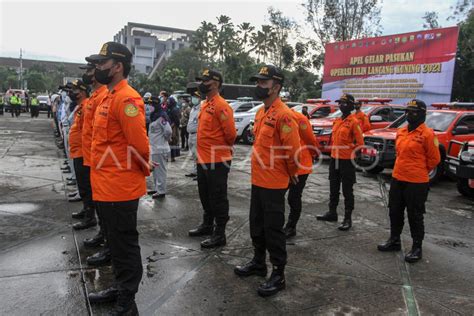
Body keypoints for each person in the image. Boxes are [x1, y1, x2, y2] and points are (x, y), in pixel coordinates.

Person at [86, 42, 150, 315]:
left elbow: (140, 145)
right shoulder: (108, 97)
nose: (98, 68)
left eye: (103, 63)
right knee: (113, 243)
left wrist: (141, 170)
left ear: (118, 66)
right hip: (104, 186)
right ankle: (120, 286)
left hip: (120, 188)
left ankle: (128, 299)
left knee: (124, 245)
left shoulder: (127, 99)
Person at [234, 65, 300, 297]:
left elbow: (292, 151)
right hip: (258, 180)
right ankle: (259, 263)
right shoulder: (262, 112)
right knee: (256, 225)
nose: (258, 86)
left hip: (274, 182)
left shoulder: (284, 115)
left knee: (273, 230)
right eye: (258, 82)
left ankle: (279, 274)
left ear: (277, 87)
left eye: (263, 82)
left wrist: (292, 173)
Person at [378, 99, 440, 263]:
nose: (409, 114)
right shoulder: (401, 131)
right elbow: (399, 153)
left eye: (414, 112)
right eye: (408, 111)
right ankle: (394, 240)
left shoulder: (427, 134)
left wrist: (418, 170)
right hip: (398, 178)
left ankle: (417, 247)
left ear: (422, 114)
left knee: (415, 215)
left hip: (417, 182)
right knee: (395, 211)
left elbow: (434, 159)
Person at [188, 69, 236, 249]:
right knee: (205, 195)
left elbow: (231, 135)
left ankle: (219, 233)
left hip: (217, 160)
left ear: (215, 84)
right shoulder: (204, 104)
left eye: (205, 81)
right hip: (202, 159)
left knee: (218, 197)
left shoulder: (221, 106)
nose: (202, 84)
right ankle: (207, 225)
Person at [77, 62, 111, 266]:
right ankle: (102, 234)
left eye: (91, 70)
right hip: (91, 157)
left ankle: (107, 242)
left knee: (107, 209)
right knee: (99, 204)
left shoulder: (104, 97)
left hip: (102, 162)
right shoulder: (95, 98)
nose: (89, 74)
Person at [316, 93, 364, 231]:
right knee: (333, 187)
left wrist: (350, 151)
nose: (341, 105)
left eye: (344, 103)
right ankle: (332, 213)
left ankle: (347, 218)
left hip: (347, 161)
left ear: (350, 105)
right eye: (340, 103)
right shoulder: (337, 120)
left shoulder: (354, 122)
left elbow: (360, 143)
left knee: (347, 190)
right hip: (334, 158)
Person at [283, 108, 318, 238]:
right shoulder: (271, 114)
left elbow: (310, 140)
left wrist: (313, 154)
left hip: (300, 165)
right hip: (283, 165)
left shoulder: (299, 118)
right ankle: (277, 225)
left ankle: (291, 227)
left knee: (294, 197)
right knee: (277, 196)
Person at [67, 80, 97, 231]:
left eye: (75, 90)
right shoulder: (81, 106)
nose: (72, 93)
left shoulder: (86, 106)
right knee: (82, 185)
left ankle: (90, 217)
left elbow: (88, 132)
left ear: (83, 91)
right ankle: (86, 210)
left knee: (86, 186)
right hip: (78, 151)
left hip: (84, 153)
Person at [149, 96, 172, 199]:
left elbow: (168, 131)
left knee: (160, 171)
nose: (149, 106)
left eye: (151, 104)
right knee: (155, 170)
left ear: (155, 105)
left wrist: (165, 139)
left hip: (160, 148)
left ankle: (161, 191)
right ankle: (157, 188)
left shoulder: (162, 116)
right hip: (154, 148)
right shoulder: (154, 116)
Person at [185, 91, 202, 179]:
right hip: (190, 134)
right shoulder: (193, 109)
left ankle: (200, 173)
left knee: (197, 154)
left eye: (196, 97)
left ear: (199, 98)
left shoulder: (201, 108)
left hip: (196, 134)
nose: (193, 98)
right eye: (193, 97)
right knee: (193, 154)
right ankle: (195, 171)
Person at [167, 96, 181, 161]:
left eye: (169, 101)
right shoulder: (169, 109)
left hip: (173, 127)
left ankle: (172, 156)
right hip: (169, 126)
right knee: (170, 142)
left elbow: (176, 120)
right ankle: (170, 156)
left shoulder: (174, 109)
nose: (168, 102)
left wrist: (172, 126)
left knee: (173, 141)